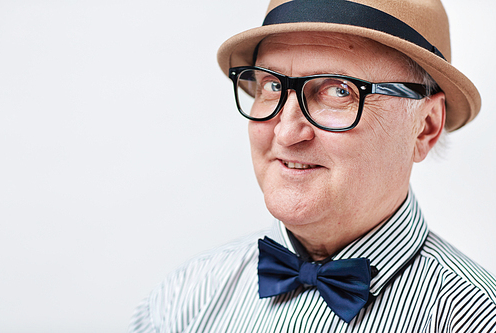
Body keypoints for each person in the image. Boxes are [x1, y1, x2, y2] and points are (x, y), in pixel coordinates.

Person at [129, 0, 496, 332]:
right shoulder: (181, 298)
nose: (287, 132)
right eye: (272, 85)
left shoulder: (476, 319)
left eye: (339, 90)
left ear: (425, 126)